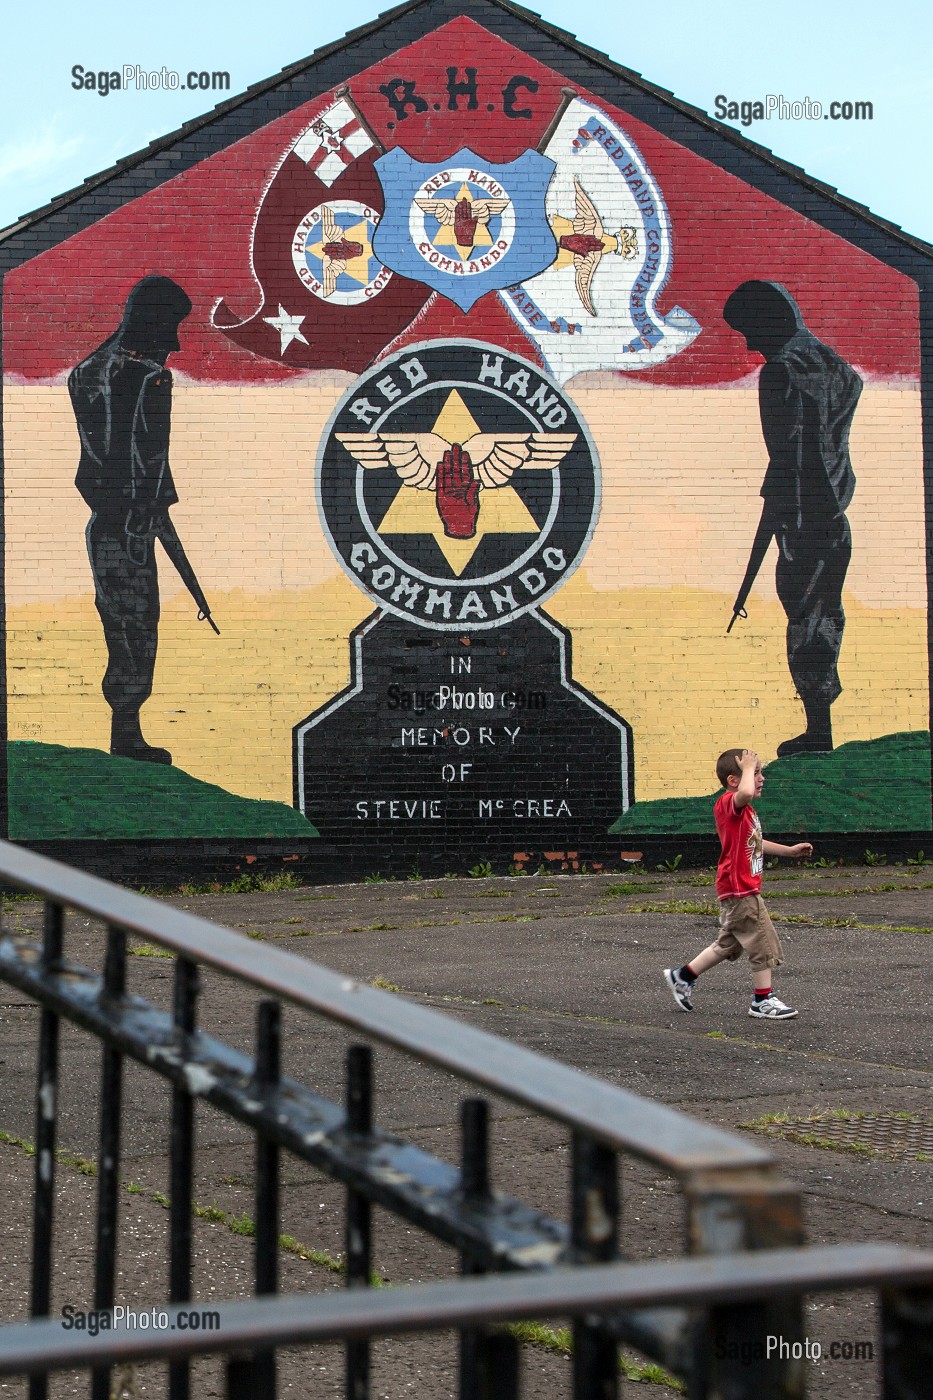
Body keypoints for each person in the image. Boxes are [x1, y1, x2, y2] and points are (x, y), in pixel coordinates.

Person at [723, 281, 862, 756]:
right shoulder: (837, 368)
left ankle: (818, 731)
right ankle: (820, 726)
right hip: (835, 516)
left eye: (750, 331)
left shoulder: (780, 374)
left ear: (771, 321)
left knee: (807, 622)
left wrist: (778, 523)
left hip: (803, 518)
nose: (749, 345)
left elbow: (787, 462)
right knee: (826, 617)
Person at [69, 276, 192, 764]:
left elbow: (103, 458)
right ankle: (127, 737)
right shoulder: (149, 379)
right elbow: (146, 460)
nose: (176, 344)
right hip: (133, 525)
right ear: (152, 321)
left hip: (103, 525)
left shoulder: (84, 372)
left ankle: (125, 732)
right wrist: (150, 514)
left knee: (116, 622)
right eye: (172, 328)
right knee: (138, 627)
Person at [663, 748, 812, 1019]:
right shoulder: (729, 802)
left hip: (737, 889)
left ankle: (682, 976)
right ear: (734, 780)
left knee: (729, 944)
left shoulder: (746, 812)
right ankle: (762, 1001)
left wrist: (789, 851)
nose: (761, 778)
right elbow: (743, 793)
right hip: (741, 890)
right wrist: (747, 768)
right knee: (762, 944)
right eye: (756, 772)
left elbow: (755, 843)